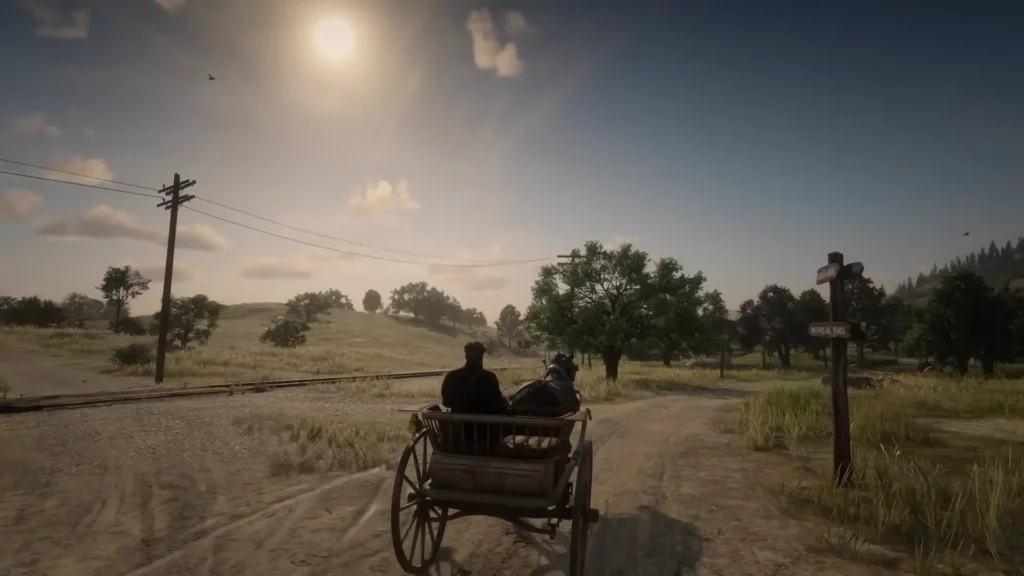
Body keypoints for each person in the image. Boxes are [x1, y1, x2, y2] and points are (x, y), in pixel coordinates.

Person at [441, 341, 509, 415]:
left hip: (458, 424)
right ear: (481, 356)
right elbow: (498, 404)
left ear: (466, 356)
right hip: (483, 424)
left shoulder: (451, 376)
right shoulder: (489, 378)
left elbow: (446, 403)